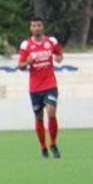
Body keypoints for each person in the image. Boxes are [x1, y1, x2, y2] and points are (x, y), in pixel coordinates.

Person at [18, 16, 63, 159]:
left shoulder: (52, 41)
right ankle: (43, 147)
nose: (37, 28)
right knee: (38, 117)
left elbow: (59, 54)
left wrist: (58, 58)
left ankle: (53, 144)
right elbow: (20, 66)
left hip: (50, 84)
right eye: (34, 26)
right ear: (30, 28)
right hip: (35, 88)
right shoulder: (26, 45)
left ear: (43, 27)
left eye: (39, 25)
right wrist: (27, 62)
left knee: (51, 111)